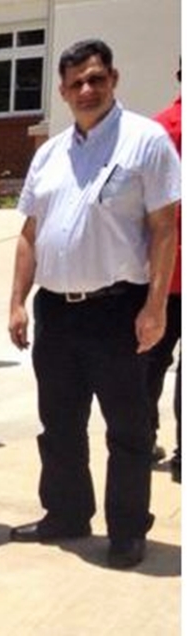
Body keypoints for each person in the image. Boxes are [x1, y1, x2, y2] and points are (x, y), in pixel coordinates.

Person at [8, 39, 180, 569]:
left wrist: (156, 307)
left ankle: (126, 530)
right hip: (56, 311)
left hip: (117, 309)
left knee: (128, 427)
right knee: (59, 422)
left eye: (96, 79)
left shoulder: (146, 141)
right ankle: (66, 513)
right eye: (76, 82)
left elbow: (165, 229)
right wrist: (17, 302)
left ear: (113, 79)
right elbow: (30, 233)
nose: (87, 89)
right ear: (62, 91)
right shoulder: (50, 153)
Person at [147, 67, 182, 483]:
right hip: (167, 267)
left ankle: (141, 440)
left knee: (150, 363)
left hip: (161, 272)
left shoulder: (156, 130)